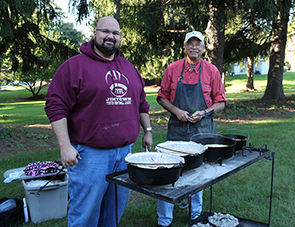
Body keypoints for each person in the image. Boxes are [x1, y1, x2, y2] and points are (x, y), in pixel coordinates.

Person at [44, 16, 153, 227]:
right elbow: (55, 106)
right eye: (105, 31)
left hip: (124, 154)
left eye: (116, 33)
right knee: (85, 214)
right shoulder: (74, 67)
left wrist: (147, 130)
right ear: (94, 33)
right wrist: (65, 146)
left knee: (114, 212)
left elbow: (142, 103)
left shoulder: (129, 68)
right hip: (90, 156)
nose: (111, 36)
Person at [156, 31, 227, 227]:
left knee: (199, 172)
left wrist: (204, 112)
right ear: (185, 46)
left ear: (203, 48)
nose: (194, 47)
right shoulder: (172, 69)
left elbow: (220, 102)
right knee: (169, 171)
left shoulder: (212, 71)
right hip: (177, 130)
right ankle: (164, 219)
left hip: (202, 131)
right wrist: (176, 110)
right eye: (190, 44)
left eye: (198, 44)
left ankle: (195, 215)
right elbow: (161, 97)